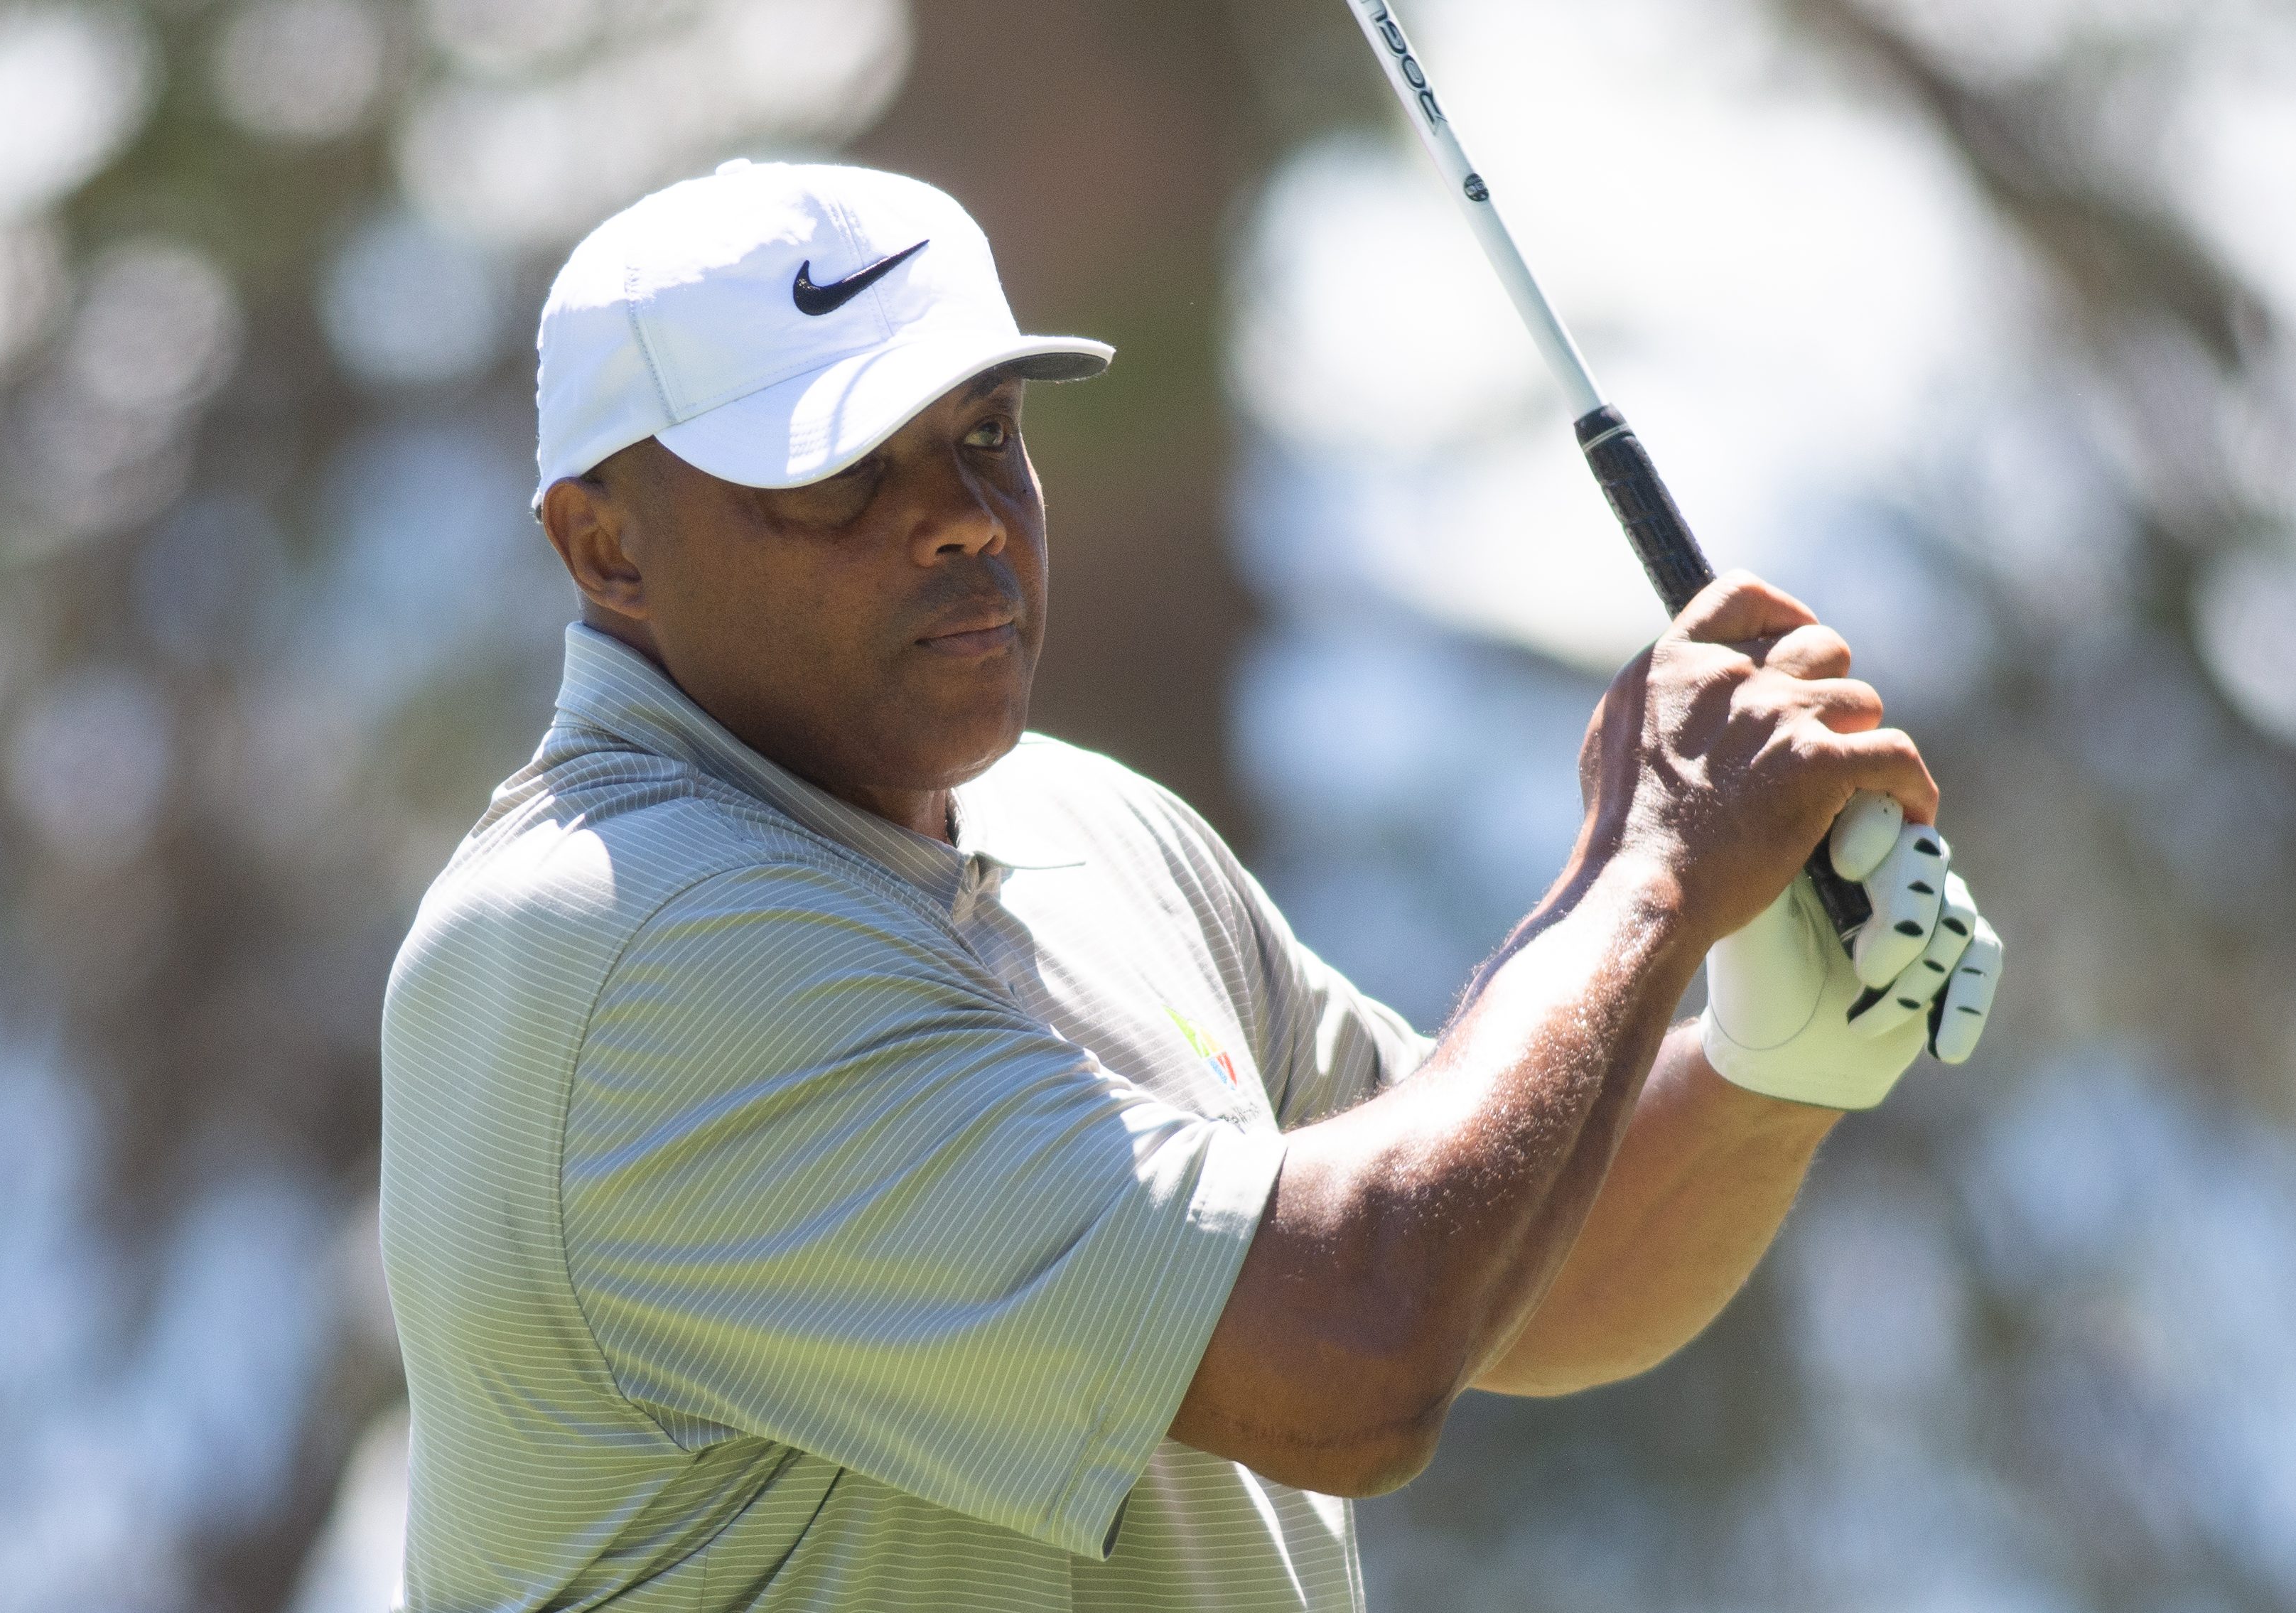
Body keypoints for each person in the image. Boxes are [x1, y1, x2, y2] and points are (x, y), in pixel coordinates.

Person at [379, 161, 2004, 1612]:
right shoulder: (621, 940)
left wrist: (1767, 1069)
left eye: (982, 437)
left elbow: (1517, 1268)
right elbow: (1355, 1348)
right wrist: (1647, 873)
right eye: (839, 472)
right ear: (606, 547)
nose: (956, 520)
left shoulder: (1091, 829)